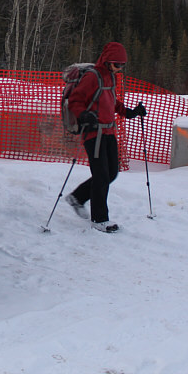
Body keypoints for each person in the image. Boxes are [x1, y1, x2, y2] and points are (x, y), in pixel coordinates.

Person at [64, 41, 146, 233]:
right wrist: (84, 115)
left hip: (109, 131)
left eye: (122, 65)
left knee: (111, 173)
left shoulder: (110, 77)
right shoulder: (93, 76)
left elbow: (111, 100)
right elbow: (75, 100)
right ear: (108, 61)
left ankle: (77, 197)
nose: (120, 69)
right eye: (117, 65)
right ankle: (99, 219)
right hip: (94, 132)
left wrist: (130, 112)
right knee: (101, 175)